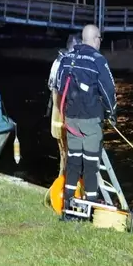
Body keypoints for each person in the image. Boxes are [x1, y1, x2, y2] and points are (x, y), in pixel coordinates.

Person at [56, 24, 117, 213]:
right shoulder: (97, 60)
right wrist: (111, 112)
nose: (100, 42)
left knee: (73, 161)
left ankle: (68, 203)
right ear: (94, 38)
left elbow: (59, 86)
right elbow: (109, 92)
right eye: (100, 38)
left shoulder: (67, 58)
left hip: (71, 119)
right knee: (91, 165)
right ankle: (90, 207)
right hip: (90, 120)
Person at [47, 33, 80, 177]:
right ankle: (68, 188)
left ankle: (62, 181)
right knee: (70, 155)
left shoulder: (57, 61)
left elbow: (50, 85)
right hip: (67, 118)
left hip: (56, 117)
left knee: (63, 153)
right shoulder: (71, 64)